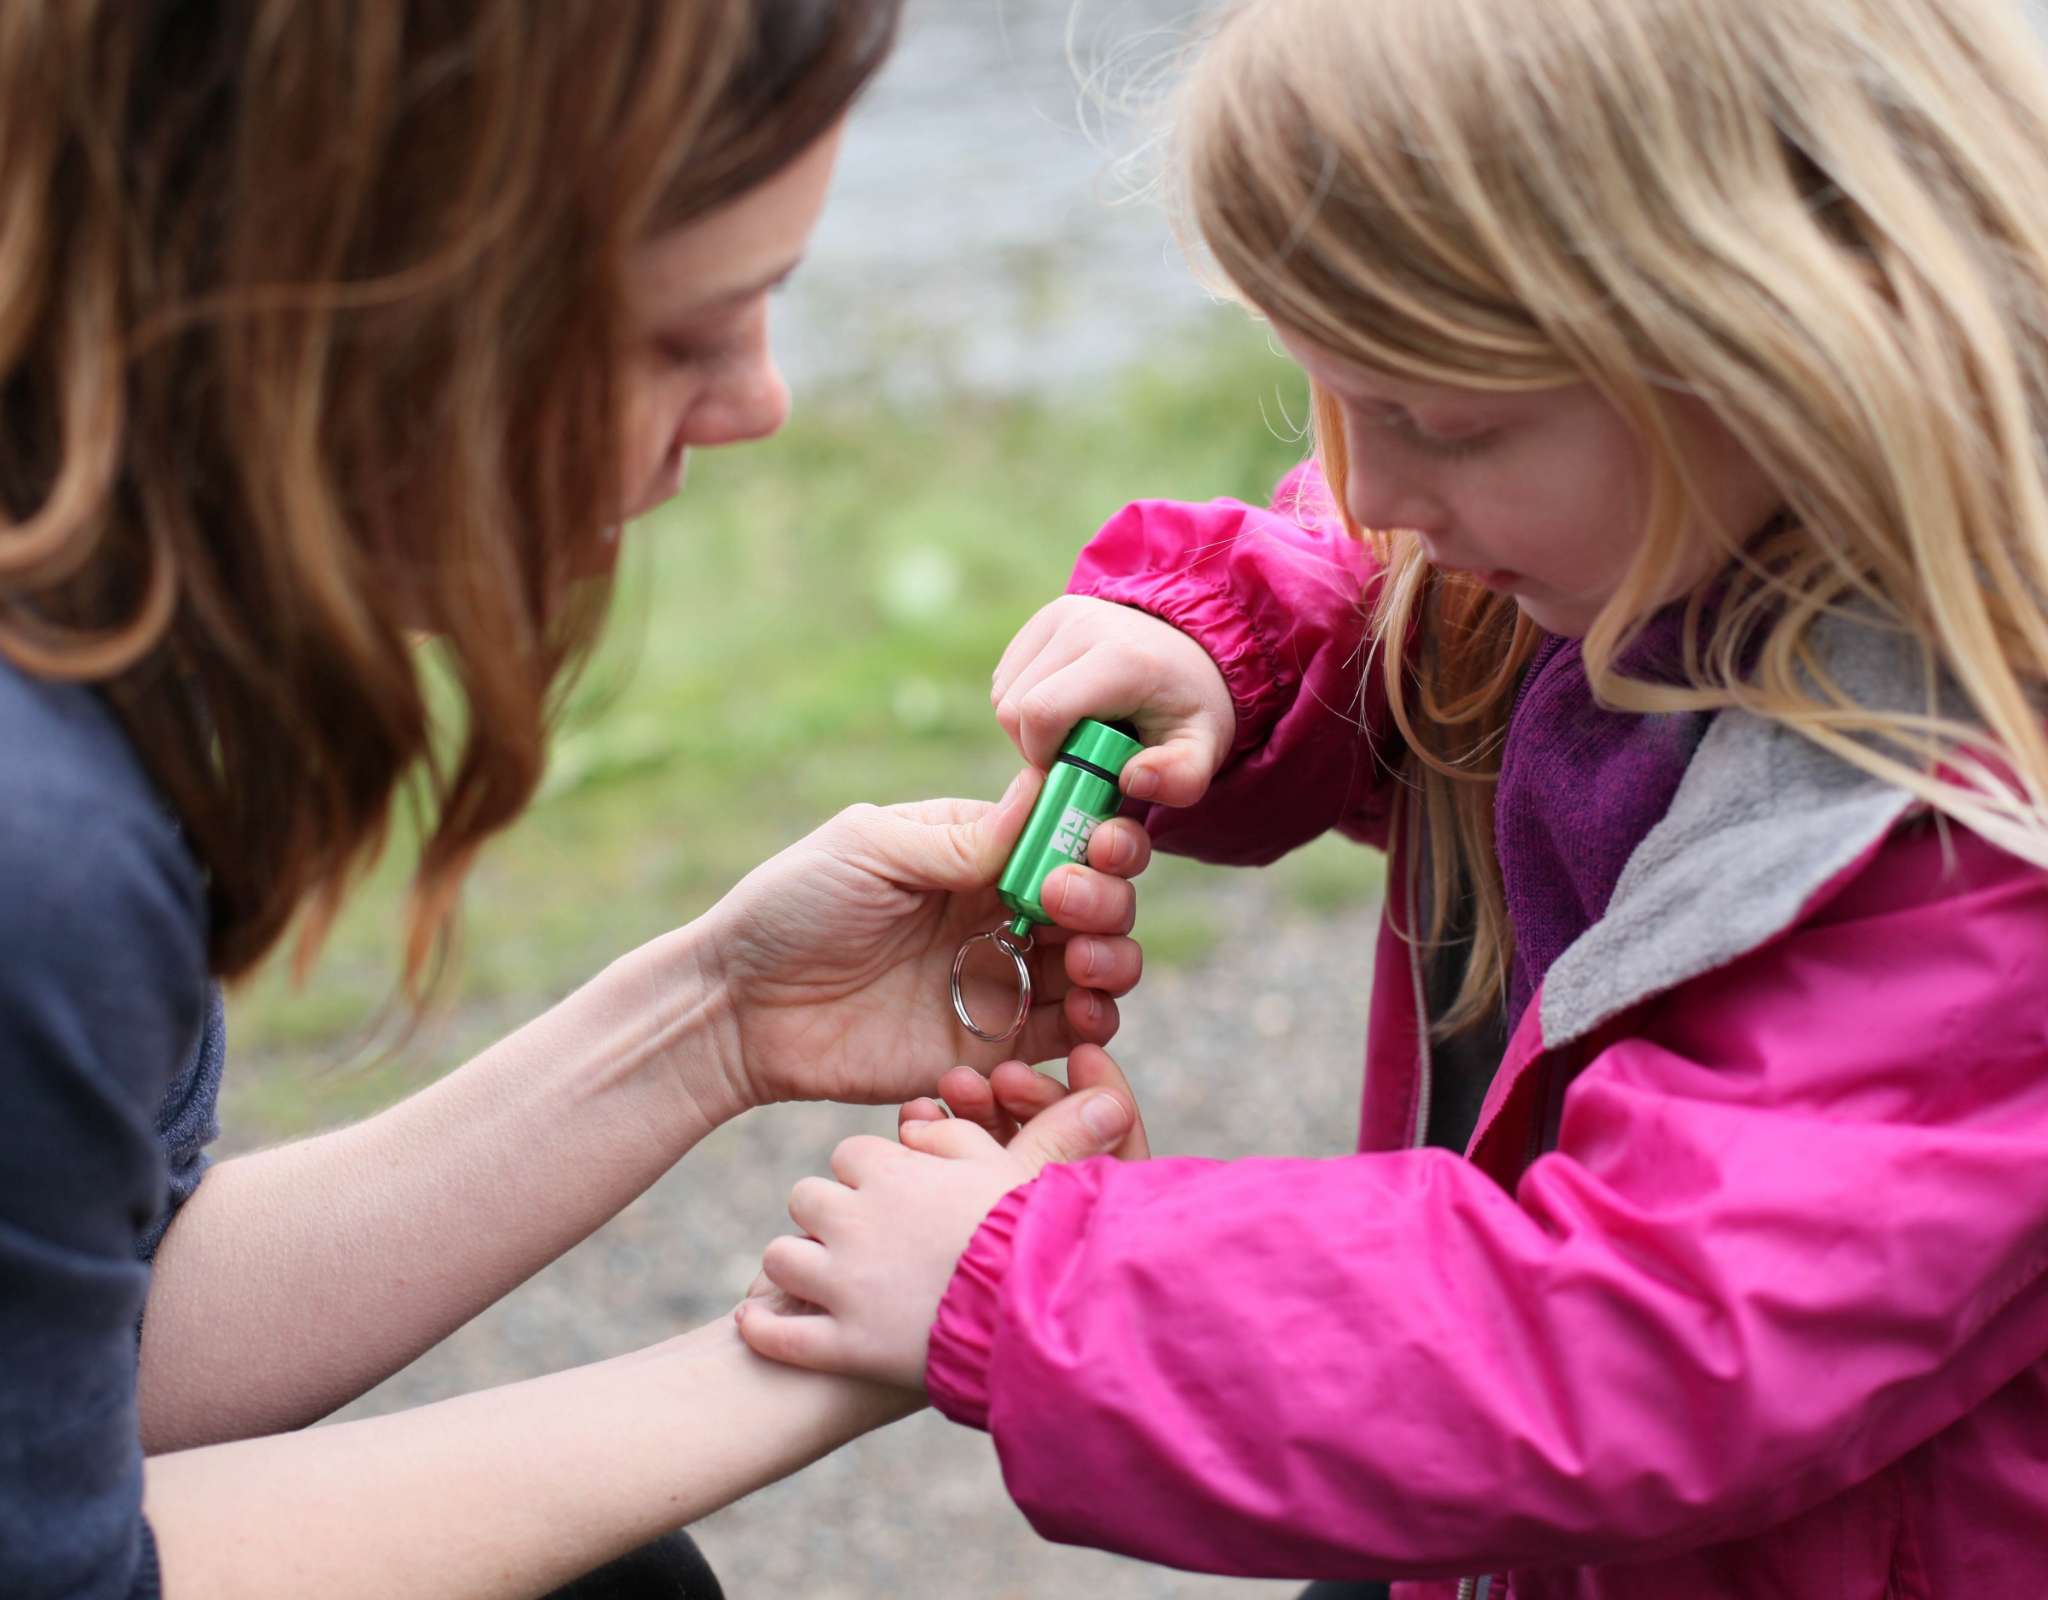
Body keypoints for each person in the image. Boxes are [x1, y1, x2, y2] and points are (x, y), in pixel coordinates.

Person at [736, 0, 2048, 1594]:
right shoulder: (1642, 539)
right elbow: (1371, 572)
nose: (1369, 485)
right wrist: (1225, 649)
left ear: (1782, 341)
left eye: (1440, 418)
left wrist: (1025, 1285)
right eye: (1329, 394)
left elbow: (1629, 1344)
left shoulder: (1981, 860)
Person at [0, 5, 1154, 1598]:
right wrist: (899, 1324)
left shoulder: (83, 611)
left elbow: (72, 1348)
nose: (764, 403)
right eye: (686, 335)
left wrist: (720, 1012)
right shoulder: (41, 842)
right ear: (351, 308)